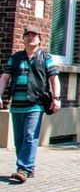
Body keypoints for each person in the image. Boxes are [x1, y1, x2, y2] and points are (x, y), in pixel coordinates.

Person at [0, 25, 61, 183]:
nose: (31, 37)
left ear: (40, 39)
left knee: (29, 137)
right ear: (23, 38)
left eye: (34, 35)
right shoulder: (16, 57)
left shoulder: (45, 57)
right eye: (28, 35)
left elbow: (54, 79)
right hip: (16, 105)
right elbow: (5, 78)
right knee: (19, 139)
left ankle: (23, 168)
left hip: (35, 104)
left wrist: (56, 98)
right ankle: (28, 168)